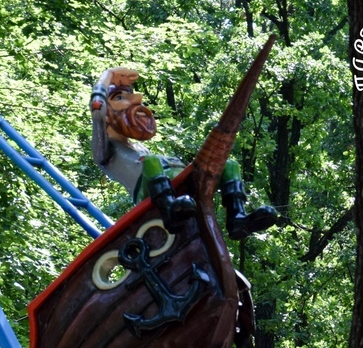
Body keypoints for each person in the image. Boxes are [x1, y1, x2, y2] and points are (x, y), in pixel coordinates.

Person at [90, 67, 277, 240]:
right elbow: (97, 108)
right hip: (153, 198)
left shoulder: (139, 149)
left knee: (229, 165)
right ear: (107, 113)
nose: (137, 100)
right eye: (120, 98)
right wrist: (109, 74)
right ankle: (170, 210)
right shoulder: (105, 149)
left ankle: (237, 218)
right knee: (152, 162)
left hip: (185, 182)